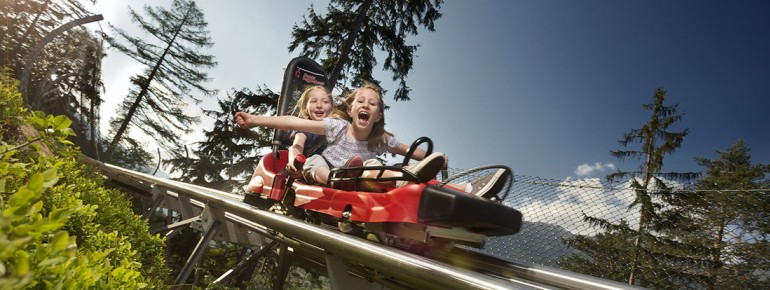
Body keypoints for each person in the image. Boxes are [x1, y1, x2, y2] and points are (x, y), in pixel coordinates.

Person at [236, 82, 445, 187]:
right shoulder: (337, 126)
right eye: (361, 102)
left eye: (372, 104)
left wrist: (433, 159)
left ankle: (408, 179)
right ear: (350, 110)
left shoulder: (380, 139)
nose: (366, 105)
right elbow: (294, 125)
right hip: (329, 172)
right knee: (314, 160)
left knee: (373, 166)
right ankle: (336, 181)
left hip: (359, 176)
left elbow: (411, 151)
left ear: (378, 116)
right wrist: (255, 120)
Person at [244, 85, 342, 192]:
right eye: (313, 101)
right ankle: (336, 183)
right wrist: (294, 161)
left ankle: (353, 178)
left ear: (332, 108)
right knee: (316, 160)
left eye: (325, 102)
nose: (319, 105)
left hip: (333, 171)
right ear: (306, 107)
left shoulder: (336, 129)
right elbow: (297, 146)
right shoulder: (305, 130)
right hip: (306, 174)